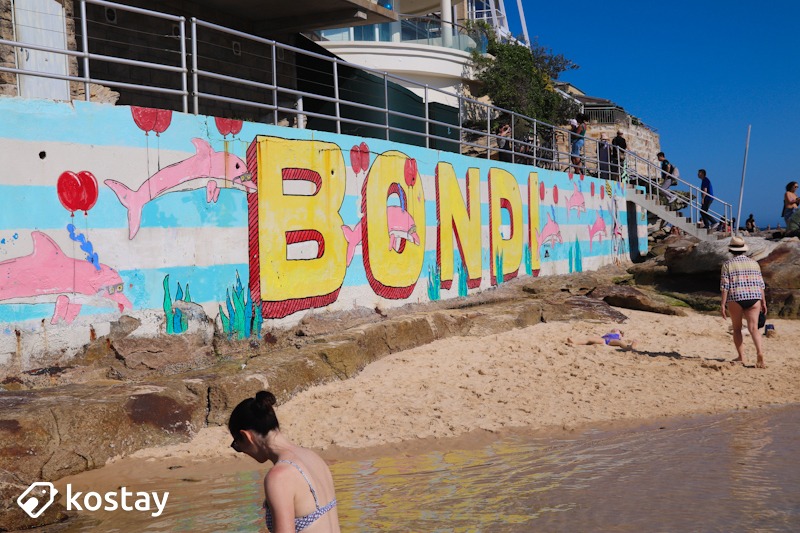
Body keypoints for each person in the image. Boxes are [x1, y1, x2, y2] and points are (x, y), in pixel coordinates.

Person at [229, 391, 341, 533]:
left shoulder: (279, 477)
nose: (242, 451)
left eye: (237, 445)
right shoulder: (313, 457)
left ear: (247, 435)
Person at [720, 236, 767, 369]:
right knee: (754, 329)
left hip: (736, 298)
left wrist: (723, 304)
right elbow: (760, 285)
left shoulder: (727, 265)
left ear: (731, 250)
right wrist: (763, 301)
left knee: (737, 328)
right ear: (743, 249)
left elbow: (725, 286)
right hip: (754, 297)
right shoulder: (754, 263)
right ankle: (759, 352)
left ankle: (741, 356)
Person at [567, 328, 638, 350]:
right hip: (604, 340)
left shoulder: (619, 336)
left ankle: (629, 347)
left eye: (616, 330)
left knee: (619, 342)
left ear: (620, 333)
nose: (614, 330)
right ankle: (575, 342)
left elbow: (621, 341)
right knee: (590, 338)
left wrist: (621, 338)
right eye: (613, 329)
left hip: (612, 340)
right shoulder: (608, 333)